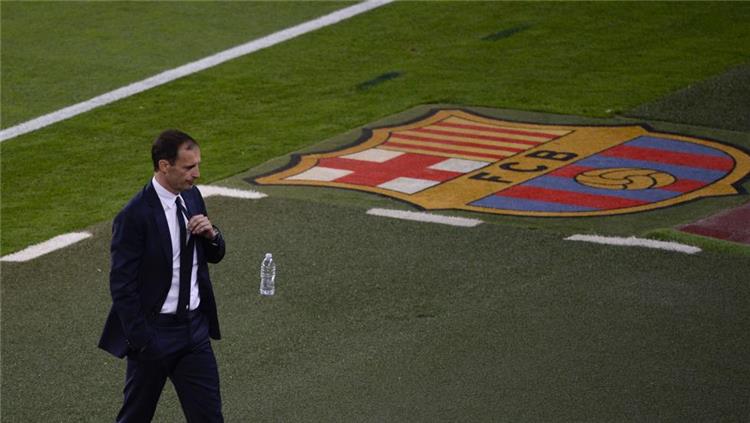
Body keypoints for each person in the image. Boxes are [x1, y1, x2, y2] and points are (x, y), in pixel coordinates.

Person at [98, 129, 226, 422]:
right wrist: (143, 340)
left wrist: (213, 235)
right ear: (164, 166)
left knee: (209, 418)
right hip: (155, 334)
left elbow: (214, 254)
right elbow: (122, 286)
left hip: (195, 331)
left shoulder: (192, 196)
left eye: (198, 165)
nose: (197, 174)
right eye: (189, 167)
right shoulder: (134, 216)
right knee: (136, 416)